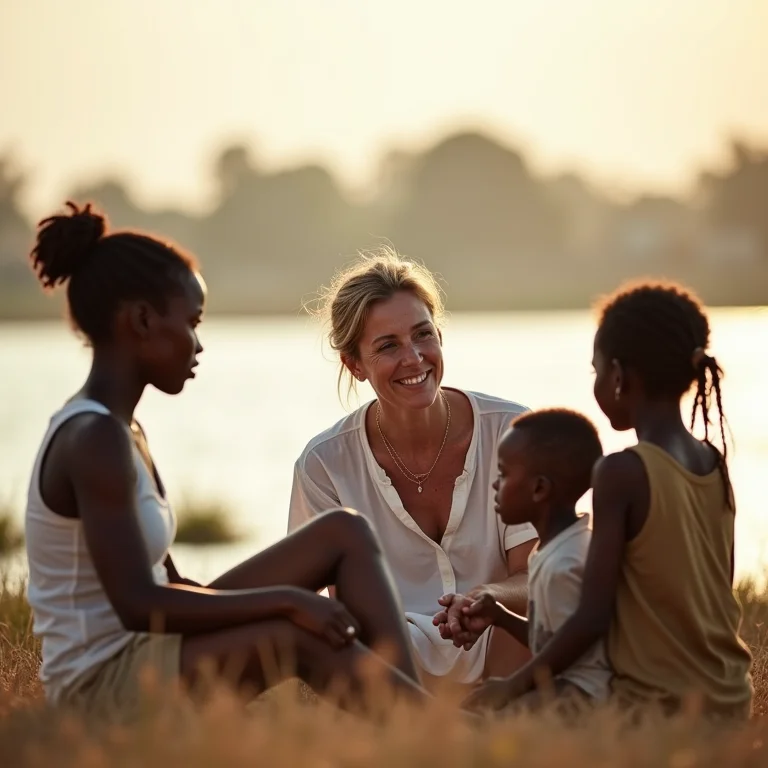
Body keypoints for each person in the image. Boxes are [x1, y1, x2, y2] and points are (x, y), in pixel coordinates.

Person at [24, 202, 429, 723]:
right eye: (191, 323)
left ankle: (417, 717)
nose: (198, 344)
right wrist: (287, 602)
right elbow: (138, 604)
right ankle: (438, 734)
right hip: (105, 686)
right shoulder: (93, 437)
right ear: (142, 321)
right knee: (290, 633)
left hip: (148, 650)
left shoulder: (122, 430)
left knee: (343, 533)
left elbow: (166, 582)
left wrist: (284, 600)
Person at [463, 281, 753, 721]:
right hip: (730, 697)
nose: (596, 382)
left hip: (658, 706)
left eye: (596, 370)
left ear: (619, 378)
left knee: (477, 728)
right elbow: (719, 590)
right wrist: (504, 617)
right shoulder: (713, 461)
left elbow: (592, 618)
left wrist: (513, 687)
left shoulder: (620, 473)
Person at [288, 248, 538, 689]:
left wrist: (486, 599)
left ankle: (500, 709)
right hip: (395, 658)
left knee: (561, 600)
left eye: (423, 335)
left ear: (439, 335)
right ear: (355, 364)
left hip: (503, 633)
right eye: (388, 346)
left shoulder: (512, 431)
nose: (414, 358)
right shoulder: (324, 464)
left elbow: (537, 572)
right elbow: (340, 609)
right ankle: (428, 721)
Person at [444, 408, 609, 713]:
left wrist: (512, 686)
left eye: (503, 474)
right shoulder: (560, 547)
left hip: (581, 696)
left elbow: (567, 652)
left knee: (475, 721)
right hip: (564, 686)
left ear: (539, 489)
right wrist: (500, 615)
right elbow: (552, 638)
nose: (495, 485)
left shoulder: (565, 563)